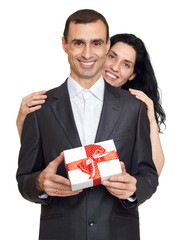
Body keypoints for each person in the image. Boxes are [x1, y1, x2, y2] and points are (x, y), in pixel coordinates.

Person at [16, 9, 158, 240]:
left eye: (96, 43)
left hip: (118, 233)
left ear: (106, 45)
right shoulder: (39, 108)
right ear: (65, 44)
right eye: (78, 43)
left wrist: (134, 189)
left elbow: (149, 175)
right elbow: (24, 179)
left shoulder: (134, 108)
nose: (87, 53)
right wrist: (40, 184)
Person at [17, 34, 165, 176]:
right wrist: (23, 122)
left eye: (126, 64)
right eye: (112, 57)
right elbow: (37, 160)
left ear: (132, 75)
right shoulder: (57, 103)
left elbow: (152, 173)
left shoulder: (133, 111)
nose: (114, 67)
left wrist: (151, 119)